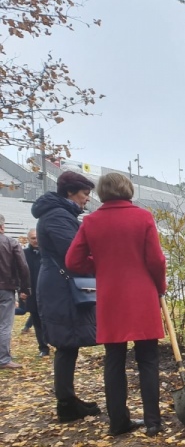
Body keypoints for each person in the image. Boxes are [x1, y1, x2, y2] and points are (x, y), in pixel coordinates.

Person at [66, 172, 167, 437]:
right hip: (142, 295)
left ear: (101, 192)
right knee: (148, 359)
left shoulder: (91, 221)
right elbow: (156, 260)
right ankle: (153, 421)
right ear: (128, 189)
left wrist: (98, 265)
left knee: (114, 359)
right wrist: (161, 287)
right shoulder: (143, 217)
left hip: (110, 296)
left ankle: (118, 422)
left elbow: (73, 262)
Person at [32, 171, 101, 422]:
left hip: (59, 284)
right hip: (60, 288)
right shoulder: (58, 216)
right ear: (70, 192)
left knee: (68, 344)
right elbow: (73, 253)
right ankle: (66, 403)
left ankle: (68, 399)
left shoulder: (58, 214)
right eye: (84, 194)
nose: (87, 200)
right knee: (66, 343)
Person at [0, 213, 31, 369]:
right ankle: (3, 359)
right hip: (5, 287)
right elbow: (23, 267)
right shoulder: (10, 243)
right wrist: (24, 288)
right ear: (2, 226)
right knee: (4, 324)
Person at [23, 229, 49, 356]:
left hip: (49, 294)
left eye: (37, 237)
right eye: (33, 238)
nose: (36, 240)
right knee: (37, 322)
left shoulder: (48, 252)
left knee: (51, 321)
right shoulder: (24, 254)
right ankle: (43, 348)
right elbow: (20, 274)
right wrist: (21, 290)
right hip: (32, 294)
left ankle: (56, 343)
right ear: (28, 239)